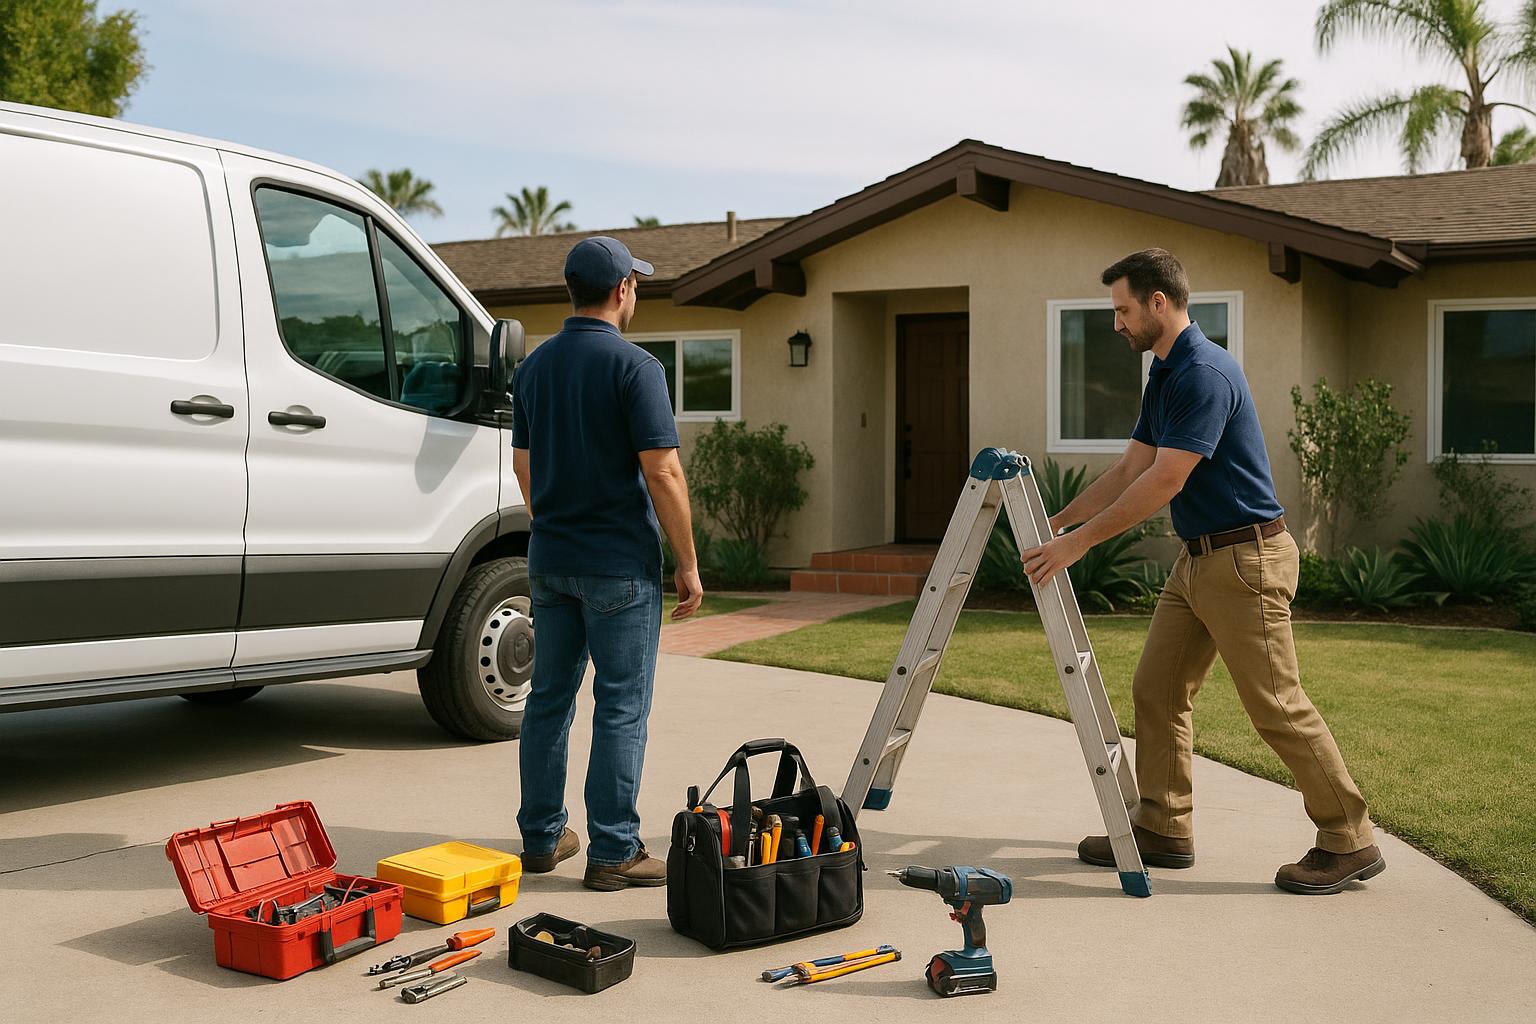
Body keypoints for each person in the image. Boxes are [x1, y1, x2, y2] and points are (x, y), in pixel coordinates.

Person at [1019, 248, 1384, 896]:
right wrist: (1059, 522)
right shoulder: (1164, 374)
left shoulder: (1204, 373)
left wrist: (1077, 547)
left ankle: (1347, 839)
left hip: (1246, 560)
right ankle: (1164, 828)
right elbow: (1132, 466)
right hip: (1200, 561)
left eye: (1123, 310)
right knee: (1156, 689)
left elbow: (1165, 479)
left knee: (1275, 705)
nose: (1116, 323)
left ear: (1160, 303)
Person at [511, 235, 704, 892]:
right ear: (623, 289)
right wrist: (688, 563)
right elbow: (664, 470)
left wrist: (556, 526)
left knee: (549, 699)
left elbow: (523, 466)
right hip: (618, 566)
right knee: (621, 704)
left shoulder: (534, 368)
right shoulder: (637, 367)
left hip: (550, 561)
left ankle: (541, 838)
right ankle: (614, 850)